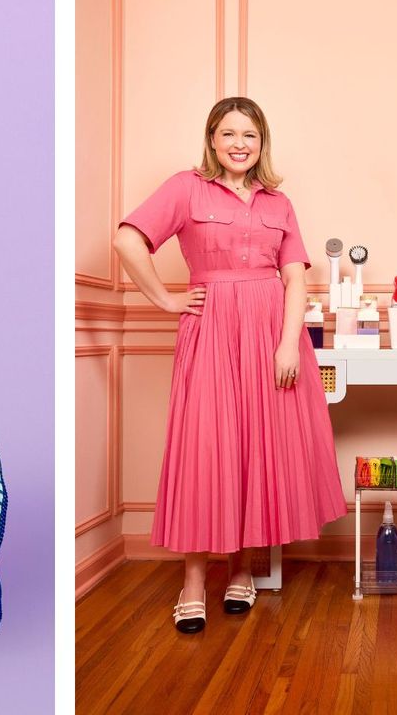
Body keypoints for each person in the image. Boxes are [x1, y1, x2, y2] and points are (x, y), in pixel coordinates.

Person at [113, 97, 347, 633]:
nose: (240, 144)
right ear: (212, 139)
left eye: (251, 135)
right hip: (212, 331)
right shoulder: (185, 187)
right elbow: (128, 240)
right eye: (229, 133)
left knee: (256, 449)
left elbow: (295, 279)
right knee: (207, 448)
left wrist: (288, 345)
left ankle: (242, 570)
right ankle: (193, 582)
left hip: (270, 333)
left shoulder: (278, 203)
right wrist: (165, 300)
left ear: (263, 143)